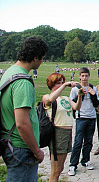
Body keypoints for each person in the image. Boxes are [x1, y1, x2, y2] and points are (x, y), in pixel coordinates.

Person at [0, 36, 48, 182]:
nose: (42, 61)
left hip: (10, 144)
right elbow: (22, 123)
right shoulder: (23, 82)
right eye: (42, 58)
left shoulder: (10, 72)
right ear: (35, 57)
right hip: (21, 149)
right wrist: (37, 151)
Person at [42, 73, 81, 182]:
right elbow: (49, 100)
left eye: (62, 83)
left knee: (60, 168)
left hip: (67, 133)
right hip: (58, 133)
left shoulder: (65, 98)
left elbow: (76, 107)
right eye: (58, 83)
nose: (61, 85)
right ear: (51, 84)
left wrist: (80, 96)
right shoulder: (47, 97)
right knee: (56, 170)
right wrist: (64, 86)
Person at [68, 67, 99, 176]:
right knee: (78, 141)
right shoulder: (75, 89)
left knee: (88, 141)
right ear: (79, 77)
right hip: (81, 117)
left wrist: (92, 94)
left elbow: (96, 104)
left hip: (91, 117)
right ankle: (73, 164)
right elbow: (72, 102)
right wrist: (80, 94)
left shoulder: (93, 88)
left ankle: (85, 160)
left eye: (86, 76)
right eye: (82, 76)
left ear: (89, 76)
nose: (84, 78)